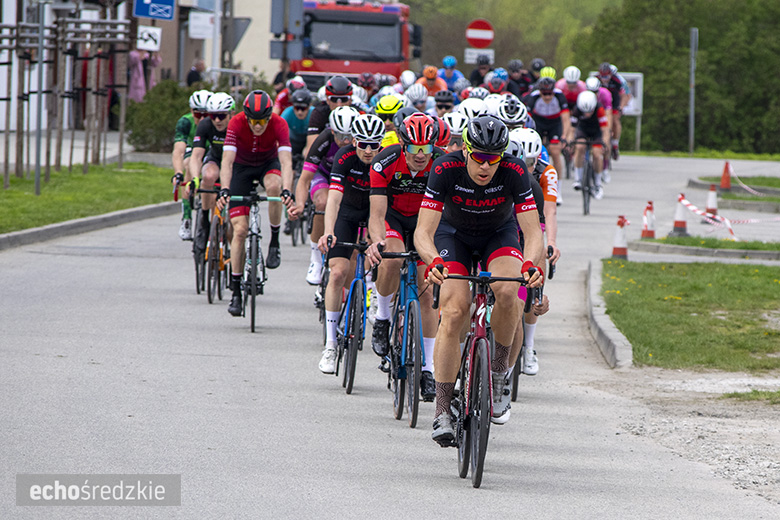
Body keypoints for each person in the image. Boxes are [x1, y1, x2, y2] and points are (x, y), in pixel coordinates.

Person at [414, 115, 544, 444]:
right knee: (455, 310)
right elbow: (423, 231)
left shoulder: (515, 171)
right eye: (479, 157)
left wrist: (530, 264)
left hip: (497, 237)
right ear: (466, 150)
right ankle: (443, 409)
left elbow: (532, 233)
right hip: (452, 237)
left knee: (508, 290)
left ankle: (499, 375)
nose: (486, 166)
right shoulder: (445, 168)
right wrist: (433, 260)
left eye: (494, 158)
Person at [365, 113, 443, 403]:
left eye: (427, 148)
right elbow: (376, 215)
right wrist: (378, 242)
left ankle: (427, 369)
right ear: (402, 144)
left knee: (426, 294)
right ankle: (383, 317)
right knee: (393, 255)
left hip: (426, 224)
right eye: (414, 149)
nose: (421, 156)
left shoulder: (442, 163)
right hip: (393, 219)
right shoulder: (384, 161)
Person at [216, 90, 296, 316]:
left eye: (262, 121)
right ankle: (236, 290)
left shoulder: (279, 124)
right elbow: (227, 161)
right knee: (239, 231)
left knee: (273, 187)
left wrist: (287, 190)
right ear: (246, 116)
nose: (258, 126)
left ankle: (275, 240)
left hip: (267, 164)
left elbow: (286, 162)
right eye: (254, 121)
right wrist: (224, 188)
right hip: (241, 168)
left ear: (269, 117)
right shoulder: (236, 123)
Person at [316, 114, 385, 373]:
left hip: (373, 213)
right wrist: (328, 231)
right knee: (337, 273)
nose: (368, 150)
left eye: (374, 145)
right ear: (353, 141)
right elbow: (333, 198)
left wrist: (377, 237)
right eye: (363, 144)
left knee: (377, 253)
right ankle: (331, 344)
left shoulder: (384, 160)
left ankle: (374, 293)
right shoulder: (344, 158)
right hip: (346, 212)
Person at [508, 127, 560, 383]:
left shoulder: (543, 175)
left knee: (530, 285)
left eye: (530, 163)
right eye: (521, 162)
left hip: (529, 227)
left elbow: (548, 213)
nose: (526, 167)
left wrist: (550, 243)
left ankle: (528, 347)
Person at [294, 106, 360, 285]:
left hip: (348, 180)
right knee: (322, 203)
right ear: (332, 131)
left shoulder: (360, 144)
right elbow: (304, 178)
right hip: (324, 176)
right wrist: (300, 204)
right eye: (340, 136)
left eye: (349, 136)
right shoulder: (324, 140)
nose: (345, 141)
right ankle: (316, 259)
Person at [188, 92, 235, 250]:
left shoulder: (238, 125)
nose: (216, 121)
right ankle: (204, 220)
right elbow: (196, 156)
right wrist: (195, 179)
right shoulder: (205, 125)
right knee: (208, 176)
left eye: (221, 116)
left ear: (231, 114)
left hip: (236, 163)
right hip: (215, 159)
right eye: (213, 115)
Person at [172, 90, 211, 240]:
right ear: (191, 111)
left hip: (211, 150)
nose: (201, 119)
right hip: (192, 149)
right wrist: (178, 172)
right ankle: (187, 217)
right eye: (198, 115)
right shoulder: (185, 122)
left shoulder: (216, 123)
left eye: (205, 115)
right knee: (188, 164)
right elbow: (178, 151)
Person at [522, 77, 571, 185]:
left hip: (555, 123)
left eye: (550, 93)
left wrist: (564, 136)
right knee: (536, 151)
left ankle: (558, 188)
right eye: (544, 93)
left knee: (555, 151)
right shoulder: (533, 97)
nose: (547, 96)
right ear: (540, 91)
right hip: (539, 122)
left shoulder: (559, 96)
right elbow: (527, 120)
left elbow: (566, 119)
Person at [566, 90, 611, 199]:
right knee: (580, 147)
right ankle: (578, 178)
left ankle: (597, 184)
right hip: (583, 130)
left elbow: (605, 130)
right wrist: (570, 142)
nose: (587, 114)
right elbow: (571, 130)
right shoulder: (576, 110)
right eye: (585, 112)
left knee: (597, 154)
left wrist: (605, 143)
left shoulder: (599, 109)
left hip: (597, 132)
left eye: (590, 112)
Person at [305, 75, 353, 157]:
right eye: (334, 99)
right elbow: (311, 149)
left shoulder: (358, 113)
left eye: (343, 99)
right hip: (325, 156)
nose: (339, 104)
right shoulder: (319, 113)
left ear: (350, 100)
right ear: (327, 99)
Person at [598, 62, 631, 160]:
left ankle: (615, 144)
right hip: (601, 105)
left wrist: (621, 107)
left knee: (615, 121)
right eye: (602, 76)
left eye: (606, 76)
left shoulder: (617, 81)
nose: (604, 79)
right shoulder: (596, 80)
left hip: (614, 104)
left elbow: (624, 95)